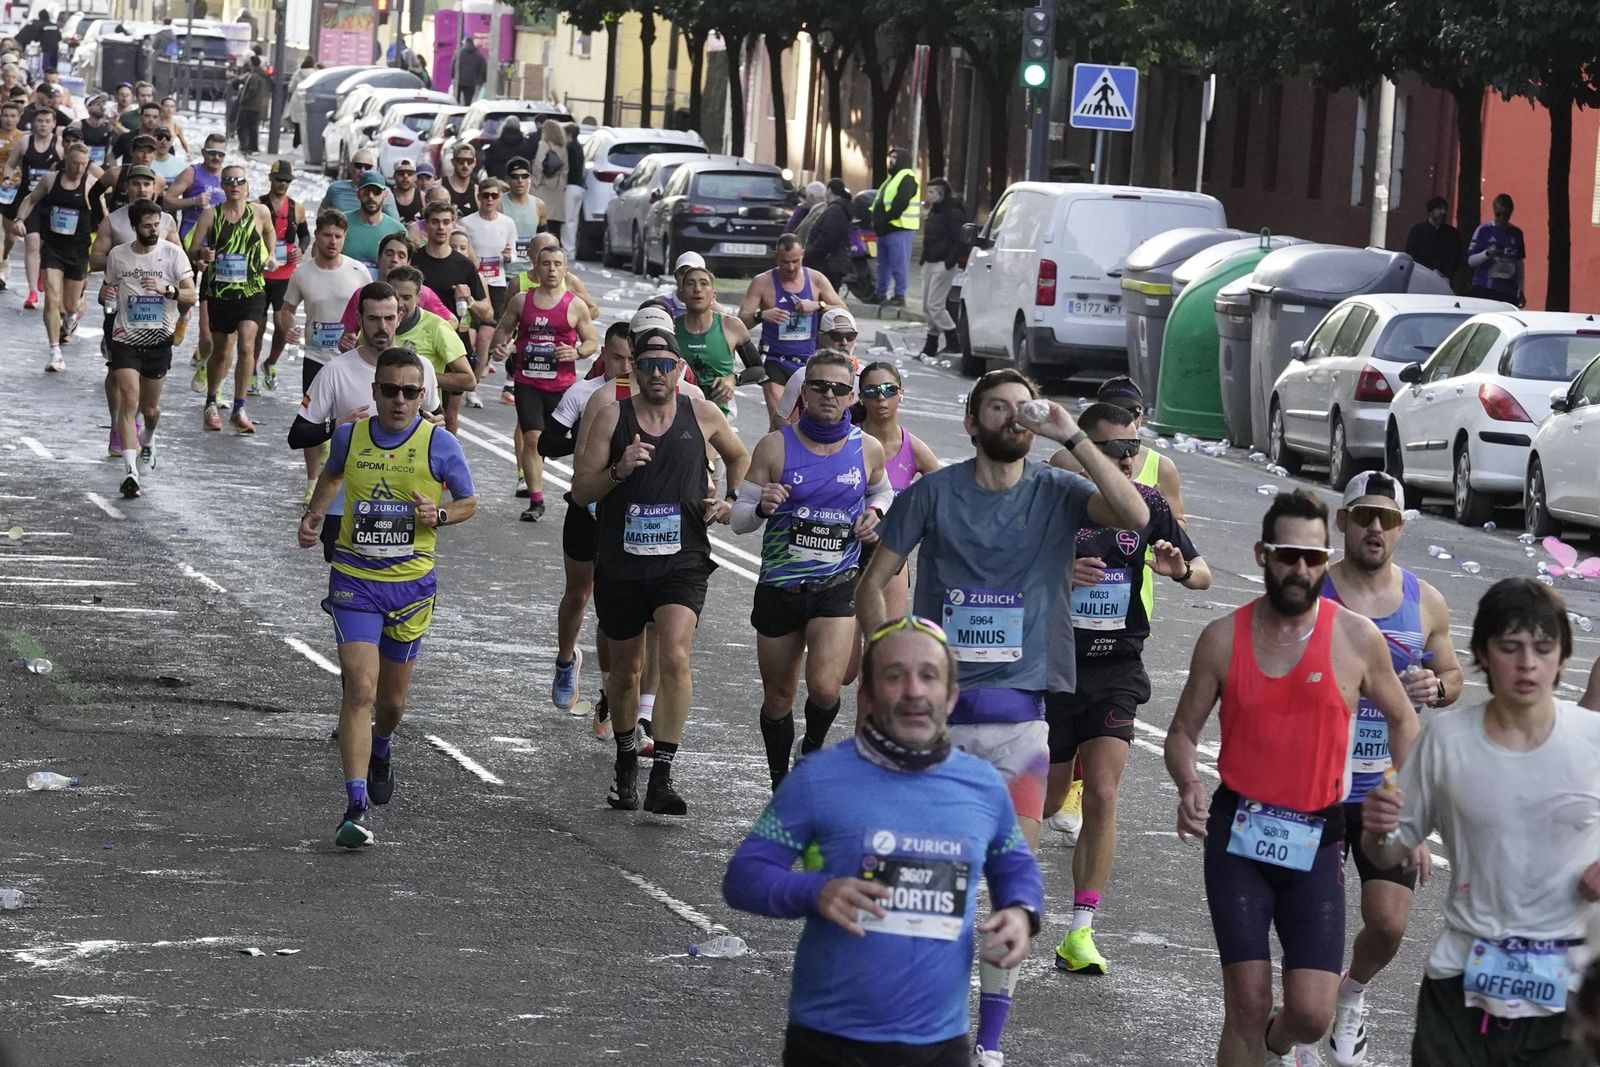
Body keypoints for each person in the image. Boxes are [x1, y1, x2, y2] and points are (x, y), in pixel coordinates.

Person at [858, 368, 1151, 1065]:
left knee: (1007, 882)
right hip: (940, 726)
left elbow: (1136, 516)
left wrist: (1073, 435)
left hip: (1021, 727)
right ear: (971, 419)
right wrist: (889, 664)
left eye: (1024, 407)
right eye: (999, 406)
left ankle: (988, 1045)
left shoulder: (1059, 492)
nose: (1014, 416)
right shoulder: (933, 492)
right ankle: (920, 1021)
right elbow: (873, 585)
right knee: (930, 882)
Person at [1163, 490, 1420, 1067]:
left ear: (1326, 559)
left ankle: (1276, 1048)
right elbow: (1181, 733)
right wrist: (1188, 784)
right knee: (1246, 1005)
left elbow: (1404, 719)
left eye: (1313, 557)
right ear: (1261, 554)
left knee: (1310, 1014)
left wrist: (1401, 792)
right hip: (1238, 838)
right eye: (1287, 555)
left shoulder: (1356, 638)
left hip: (1317, 838)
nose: (1300, 569)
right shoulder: (1223, 639)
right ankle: (1256, 1040)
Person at [722, 616, 1044, 1067]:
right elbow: (743, 877)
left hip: (941, 1046)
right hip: (831, 1042)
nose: (914, 691)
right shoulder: (820, 778)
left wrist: (1020, 911)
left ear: (951, 697)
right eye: (895, 676)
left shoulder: (983, 787)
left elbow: (1015, 865)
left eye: (928, 676)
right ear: (868, 697)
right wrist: (814, 891)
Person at [1364, 577, 1600, 1067]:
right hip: (1461, 982)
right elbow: (1387, 852)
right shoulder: (1447, 741)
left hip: (1569, 985)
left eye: (1543, 647)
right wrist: (1377, 828)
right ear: (1484, 654)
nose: (1528, 663)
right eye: (1510, 647)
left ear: (1563, 656)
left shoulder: (1592, 738)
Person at [1045, 401, 1211, 979]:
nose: (1126, 459)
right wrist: (1056, 574)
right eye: (1112, 449)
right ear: (1080, 446)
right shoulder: (1050, 495)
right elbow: (996, 572)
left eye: (1131, 449)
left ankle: (1079, 932)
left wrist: (1177, 570)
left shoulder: (1148, 508)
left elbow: (1203, 572)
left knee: (1105, 794)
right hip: (1051, 667)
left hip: (1116, 666)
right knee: (1041, 801)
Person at [296, 343, 476, 849]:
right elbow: (331, 476)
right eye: (390, 391)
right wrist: (313, 516)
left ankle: (382, 743)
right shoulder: (351, 436)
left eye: (410, 392)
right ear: (374, 392)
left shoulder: (440, 445)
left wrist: (438, 515)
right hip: (354, 578)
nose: (400, 400)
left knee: (392, 702)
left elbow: (469, 502)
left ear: (423, 395)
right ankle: (353, 803)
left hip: (411, 586)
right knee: (360, 689)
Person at [570, 315, 750, 815]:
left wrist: (730, 500)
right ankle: (627, 758)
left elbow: (740, 457)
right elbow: (582, 490)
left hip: (683, 559)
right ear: (634, 369)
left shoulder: (703, 413)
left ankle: (663, 775)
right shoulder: (612, 415)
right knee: (626, 671)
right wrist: (618, 470)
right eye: (645, 364)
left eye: (664, 365)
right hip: (622, 560)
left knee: (674, 655)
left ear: (679, 369)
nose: (655, 374)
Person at [1316, 470, 1463, 1065]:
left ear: (1402, 528)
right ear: (1341, 521)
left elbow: (1452, 677)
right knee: (1317, 925)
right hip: (1317, 783)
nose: (1374, 527)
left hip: (1385, 785)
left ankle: (1349, 1000)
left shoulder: (1424, 600)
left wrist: (1437, 685)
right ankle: (1303, 1021)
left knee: (1390, 924)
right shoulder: (1316, 589)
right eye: (1363, 515)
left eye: (1387, 518)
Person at [733, 346, 893, 787]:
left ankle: (813, 750)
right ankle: (779, 779)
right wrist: (761, 507)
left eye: (838, 388)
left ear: (850, 396)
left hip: (835, 585)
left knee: (825, 687)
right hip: (780, 587)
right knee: (779, 697)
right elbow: (739, 521)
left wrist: (874, 515)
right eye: (818, 385)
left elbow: (883, 494)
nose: (828, 395)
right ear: (804, 392)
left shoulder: (868, 449)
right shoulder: (774, 446)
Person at [540, 321, 632, 712]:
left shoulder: (654, 401)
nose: (625, 366)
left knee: (616, 604)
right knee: (579, 593)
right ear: (603, 356)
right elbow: (546, 442)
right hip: (585, 506)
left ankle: (613, 692)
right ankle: (565, 660)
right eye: (617, 357)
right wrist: (583, 438)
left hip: (628, 514)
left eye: (632, 358)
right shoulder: (584, 393)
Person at [489, 242, 596, 522]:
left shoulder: (575, 305)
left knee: (574, 442)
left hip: (563, 386)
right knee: (532, 439)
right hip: (528, 382)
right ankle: (536, 501)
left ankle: (584, 493)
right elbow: (503, 331)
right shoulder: (522, 301)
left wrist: (576, 352)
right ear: (536, 268)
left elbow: (592, 342)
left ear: (565, 269)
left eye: (557, 264)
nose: (551, 269)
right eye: (546, 264)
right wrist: (500, 348)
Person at [274, 207, 376, 500]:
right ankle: (311, 482)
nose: (332, 241)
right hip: (316, 357)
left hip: (352, 358)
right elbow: (287, 310)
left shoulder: (357, 271)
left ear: (345, 238)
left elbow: (373, 308)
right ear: (317, 236)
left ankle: (352, 478)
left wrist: (357, 335)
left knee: (355, 414)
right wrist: (289, 329)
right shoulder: (302, 273)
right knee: (312, 420)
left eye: (338, 236)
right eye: (327, 235)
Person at [100, 197, 196, 499]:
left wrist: (168, 290)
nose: (154, 230)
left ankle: (149, 437)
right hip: (125, 338)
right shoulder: (118, 256)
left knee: (150, 409)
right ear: (134, 227)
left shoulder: (173, 255)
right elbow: (110, 291)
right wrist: (105, 296)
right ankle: (130, 472)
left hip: (158, 340)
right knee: (129, 402)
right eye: (147, 226)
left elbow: (192, 296)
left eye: (157, 225)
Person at [189, 164, 276, 434]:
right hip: (221, 292)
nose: (235, 185)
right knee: (222, 349)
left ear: (247, 185)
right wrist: (203, 255)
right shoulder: (210, 215)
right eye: (229, 181)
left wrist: (271, 255)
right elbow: (192, 249)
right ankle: (211, 402)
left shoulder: (260, 212)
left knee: (247, 345)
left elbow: (270, 231)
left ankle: (239, 407)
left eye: (239, 180)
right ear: (223, 187)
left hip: (251, 290)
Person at [854, 359, 939, 622]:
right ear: (860, 397)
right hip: (843, 552)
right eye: (872, 391)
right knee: (847, 656)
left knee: (884, 646)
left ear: (901, 393)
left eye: (889, 390)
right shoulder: (847, 440)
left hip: (889, 556)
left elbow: (945, 497)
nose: (881, 398)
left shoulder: (914, 448)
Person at [738, 235, 846, 430]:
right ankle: (775, 457)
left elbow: (842, 311)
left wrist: (818, 305)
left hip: (808, 361)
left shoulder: (816, 279)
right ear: (776, 256)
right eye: (785, 262)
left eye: (796, 261)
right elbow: (741, 322)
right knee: (781, 421)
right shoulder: (762, 282)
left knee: (805, 422)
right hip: (775, 360)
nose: (790, 267)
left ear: (803, 255)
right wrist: (762, 315)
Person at [13, 140, 95, 372]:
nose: (78, 169)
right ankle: (55, 352)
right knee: (52, 298)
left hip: (78, 250)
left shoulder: (90, 184)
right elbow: (30, 199)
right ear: (66, 160)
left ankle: (75, 312)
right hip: (53, 247)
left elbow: (105, 214)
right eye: (74, 163)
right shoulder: (51, 180)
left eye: (83, 164)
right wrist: (20, 220)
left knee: (69, 305)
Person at [254, 158, 307, 393]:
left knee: (282, 325)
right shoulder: (258, 205)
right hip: (260, 274)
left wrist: (300, 250)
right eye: (279, 180)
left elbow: (305, 236)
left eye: (287, 181)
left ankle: (271, 362)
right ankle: (251, 370)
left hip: (285, 274)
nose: (283, 184)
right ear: (270, 179)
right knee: (256, 325)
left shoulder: (297, 207)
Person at [455, 177, 519, 367]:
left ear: (499, 197)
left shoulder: (507, 223)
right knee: (470, 334)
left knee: (487, 337)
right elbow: (460, 249)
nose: (489, 200)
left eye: (494, 195)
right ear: (478, 197)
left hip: (497, 283)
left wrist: (509, 257)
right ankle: (468, 370)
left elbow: (514, 252)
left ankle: (477, 378)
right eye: (486, 196)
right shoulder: (467, 222)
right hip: (472, 284)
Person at [674, 261, 748, 414]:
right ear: (681, 294)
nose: (697, 289)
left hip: (719, 416)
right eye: (690, 284)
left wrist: (733, 379)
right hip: (678, 415)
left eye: (703, 284)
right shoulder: (671, 329)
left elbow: (759, 370)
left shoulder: (731, 326)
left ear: (714, 295)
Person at [6, 104, 59, 309]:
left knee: (46, 244)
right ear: (34, 123)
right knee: (32, 241)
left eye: (47, 121)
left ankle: (39, 274)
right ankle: (32, 292)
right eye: (40, 121)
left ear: (54, 124)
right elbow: (11, 164)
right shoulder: (24, 142)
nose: (43, 125)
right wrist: (9, 177)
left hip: (52, 201)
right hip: (30, 201)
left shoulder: (60, 145)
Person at [919, 177, 967, 358]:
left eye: (932, 192)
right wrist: (924, 259)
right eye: (928, 192)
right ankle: (930, 344)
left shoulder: (953, 211)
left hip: (943, 263)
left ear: (942, 193)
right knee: (926, 306)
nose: (928, 196)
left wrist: (950, 261)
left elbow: (959, 239)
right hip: (930, 261)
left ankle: (953, 339)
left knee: (935, 305)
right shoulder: (935, 210)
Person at [870, 146, 919, 305]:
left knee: (899, 264)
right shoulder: (891, 179)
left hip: (899, 228)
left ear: (903, 160)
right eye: (890, 157)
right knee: (883, 264)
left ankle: (899, 296)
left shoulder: (907, 176)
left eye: (895, 158)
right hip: (886, 229)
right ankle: (881, 293)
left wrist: (885, 220)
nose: (891, 161)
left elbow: (900, 203)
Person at [342, 170, 408, 278]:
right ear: (358, 193)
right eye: (366, 191)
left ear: (385, 194)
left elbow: (404, 269)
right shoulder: (342, 222)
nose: (371, 196)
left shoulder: (397, 230)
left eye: (376, 191)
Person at [1467, 193, 1526, 307]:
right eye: (1499, 214)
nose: (1502, 218)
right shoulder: (1484, 230)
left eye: (1506, 214)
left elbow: (1520, 264)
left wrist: (1521, 290)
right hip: (1485, 287)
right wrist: (1487, 253)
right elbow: (1471, 261)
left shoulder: (1516, 233)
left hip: (1508, 291)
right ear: (1494, 210)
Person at [321, 150, 400, 220]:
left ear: (375, 169)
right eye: (358, 166)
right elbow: (322, 213)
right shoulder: (335, 189)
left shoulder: (383, 192)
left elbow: (395, 224)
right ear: (350, 166)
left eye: (367, 167)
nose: (362, 170)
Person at [800, 177, 851, 287]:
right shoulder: (837, 209)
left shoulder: (835, 210)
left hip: (828, 264)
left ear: (830, 191)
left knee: (825, 300)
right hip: (832, 263)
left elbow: (828, 238)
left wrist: (810, 252)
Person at [1404, 196, 1463, 283]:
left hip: (1444, 279)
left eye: (1445, 209)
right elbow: (1411, 254)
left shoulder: (1452, 233)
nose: (1443, 212)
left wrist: (1447, 275)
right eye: (1439, 208)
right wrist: (1430, 270)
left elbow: (1456, 257)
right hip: (1421, 276)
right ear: (1430, 211)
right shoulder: (1417, 231)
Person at [529, 119, 567, 243]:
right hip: (557, 191)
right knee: (555, 229)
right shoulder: (563, 147)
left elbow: (539, 165)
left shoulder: (544, 144)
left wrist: (536, 182)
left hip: (543, 188)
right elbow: (566, 169)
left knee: (541, 226)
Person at [501, 156, 544, 251]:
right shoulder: (498, 204)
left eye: (524, 176)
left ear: (530, 178)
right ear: (507, 179)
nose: (520, 181)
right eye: (515, 177)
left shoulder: (539, 205)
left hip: (530, 264)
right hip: (504, 264)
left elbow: (544, 240)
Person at [234, 55, 271, 156]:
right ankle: (252, 147)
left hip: (249, 106)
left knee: (241, 126)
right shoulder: (261, 75)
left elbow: (252, 90)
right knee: (252, 127)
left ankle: (245, 146)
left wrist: (244, 100)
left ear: (252, 63)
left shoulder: (254, 76)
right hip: (256, 106)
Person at [111, 101, 160, 166]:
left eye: (155, 117)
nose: (151, 119)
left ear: (159, 119)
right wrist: (116, 173)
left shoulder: (163, 140)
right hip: (129, 175)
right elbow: (111, 156)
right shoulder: (126, 137)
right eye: (147, 116)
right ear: (140, 117)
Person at [72, 93, 115, 168]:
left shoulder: (109, 126)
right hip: (83, 166)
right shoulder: (79, 125)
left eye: (103, 104)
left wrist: (116, 124)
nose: (102, 107)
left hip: (102, 167)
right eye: (98, 104)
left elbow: (126, 136)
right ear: (88, 108)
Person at [481, 115, 530, 179]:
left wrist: (491, 175)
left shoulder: (496, 143)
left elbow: (489, 161)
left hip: (499, 175)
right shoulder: (525, 144)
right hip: (517, 176)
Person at [561, 122, 584, 258]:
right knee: (573, 220)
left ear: (569, 135)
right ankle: (571, 250)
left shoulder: (569, 148)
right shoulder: (579, 147)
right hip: (580, 187)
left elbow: (566, 169)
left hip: (570, 186)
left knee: (567, 220)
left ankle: (567, 250)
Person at [441, 143, 479, 218]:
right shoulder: (440, 186)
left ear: (474, 163)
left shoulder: (478, 192)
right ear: (453, 161)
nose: (465, 165)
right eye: (461, 160)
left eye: (469, 161)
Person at [451, 37, 486, 107]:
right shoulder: (478, 55)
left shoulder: (459, 53)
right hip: (471, 82)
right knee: (468, 101)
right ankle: (466, 113)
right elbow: (483, 68)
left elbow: (453, 65)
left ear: (465, 43)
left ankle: (455, 113)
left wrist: (453, 77)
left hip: (459, 81)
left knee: (455, 101)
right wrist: (482, 80)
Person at [390, 158, 422, 224]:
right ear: (394, 176)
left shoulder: (423, 197)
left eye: (410, 173)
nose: (405, 176)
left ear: (415, 177)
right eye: (401, 173)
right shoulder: (387, 196)